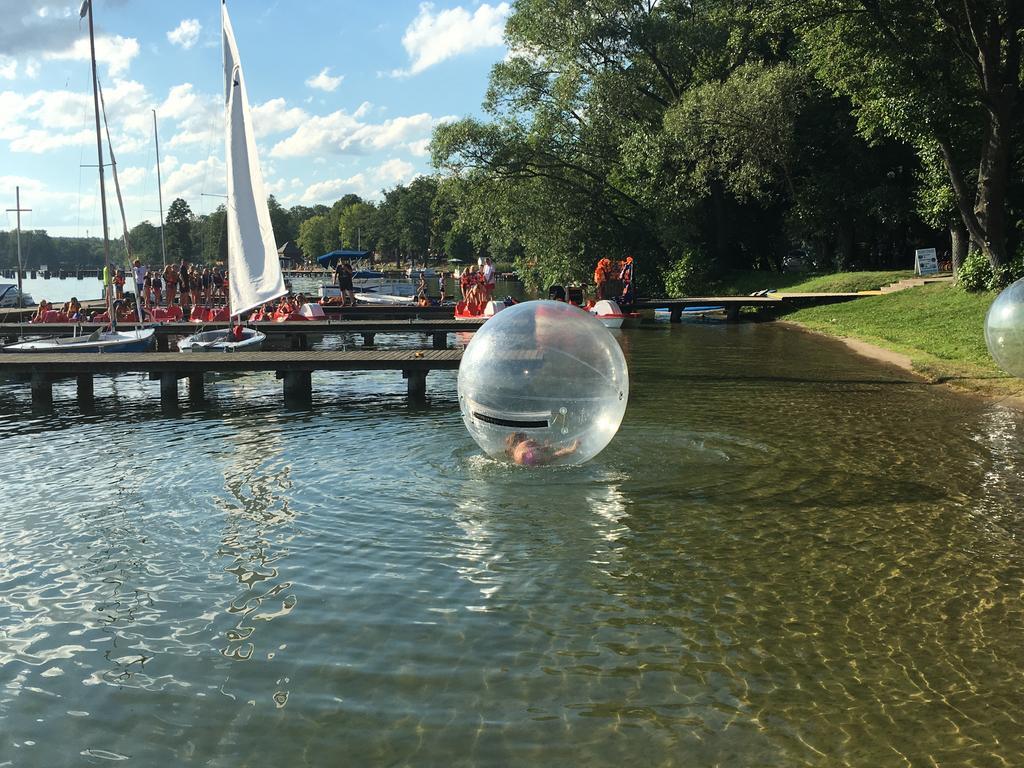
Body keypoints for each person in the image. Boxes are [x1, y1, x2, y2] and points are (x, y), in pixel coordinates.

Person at [504, 432, 580, 466]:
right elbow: (540, 448)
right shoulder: (524, 443)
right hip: (532, 454)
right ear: (520, 439)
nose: (528, 438)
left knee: (550, 457)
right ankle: (571, 449)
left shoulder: (515, 452)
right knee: (555, 455)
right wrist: (546, 445)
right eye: (526, 437)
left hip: (522, 460)